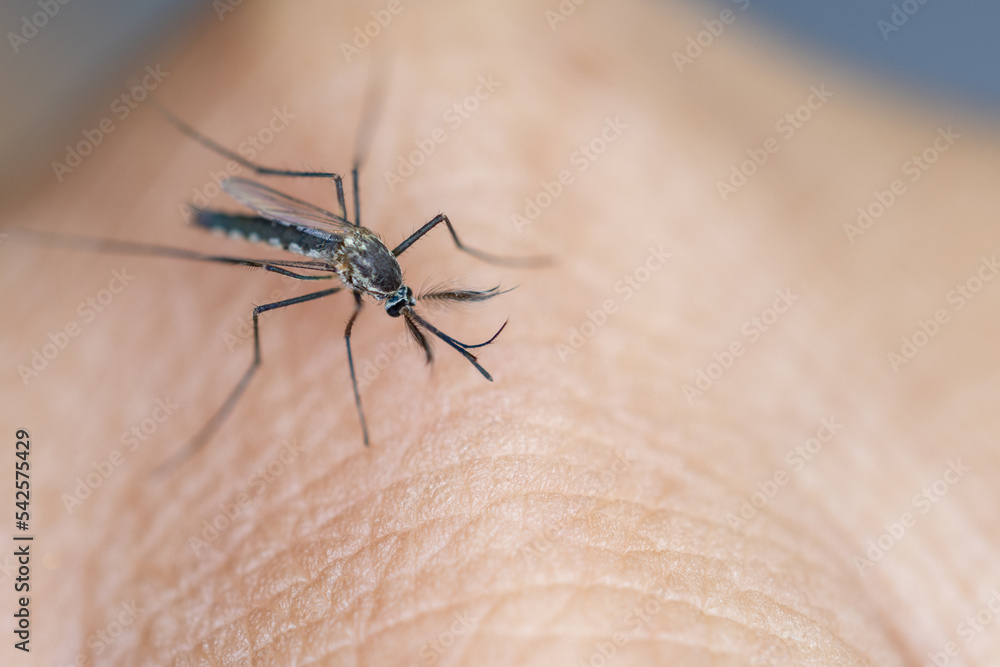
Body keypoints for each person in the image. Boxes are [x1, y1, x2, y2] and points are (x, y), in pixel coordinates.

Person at [9, 1, 999, 664]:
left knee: (328, 228)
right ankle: (147, 241)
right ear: (384, 287)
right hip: (263, 216)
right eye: (397, 303)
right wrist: (355, 409)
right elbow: (351, 317)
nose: (396, 309)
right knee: (258, 286)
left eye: (402, 303)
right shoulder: (362, 284)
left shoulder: (389, 267)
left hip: (299, 215)